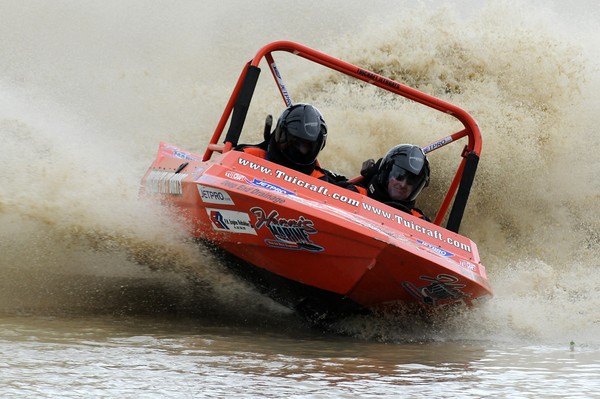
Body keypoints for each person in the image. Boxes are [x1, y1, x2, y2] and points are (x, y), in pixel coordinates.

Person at [235, 103, 349, 184]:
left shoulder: (320, 179)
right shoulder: (247, 155)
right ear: (281, 136)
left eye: (307, 146)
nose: (301, 151)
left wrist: (367, 180)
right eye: (296, 143)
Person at [358, 144, 431, 220]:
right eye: (399, 176)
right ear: (386, 174)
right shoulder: (357, 193)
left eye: (411, 181)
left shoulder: (419, 220)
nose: (403, 185)